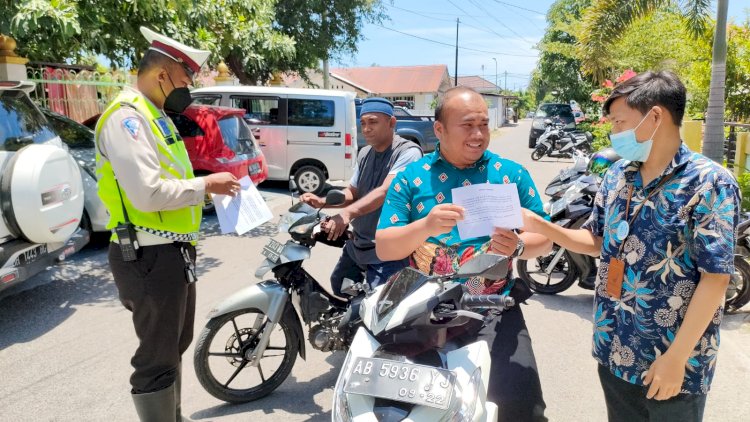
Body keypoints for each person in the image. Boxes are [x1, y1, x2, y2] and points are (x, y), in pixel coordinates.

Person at [521, 71, 739, 422]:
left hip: (671, 362)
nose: (614, 132)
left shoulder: (709, 182)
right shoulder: (618, 175)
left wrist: (676, 359)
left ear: (655, 116)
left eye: (620, 121)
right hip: (615, 350)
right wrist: (545, 227)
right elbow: (596, 241)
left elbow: (715, 279)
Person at [375, 86, 552, 421]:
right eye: (467, 125)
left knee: (523, 407)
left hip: (494, 307)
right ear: (439, 129)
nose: (478, 134)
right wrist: (424, 226)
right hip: (422, 312)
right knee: (403, 409)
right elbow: (385, 246)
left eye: (483, 125)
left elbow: (546, 240)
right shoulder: (410, 179)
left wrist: (517, 245)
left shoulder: (511, 174)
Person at [95, 27, 240, 421]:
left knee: (175, 344)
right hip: (146, 252)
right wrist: (205, 184)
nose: (187, 88)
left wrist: (207, 189)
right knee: (156, 356)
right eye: (184, 78)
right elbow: (147, 194)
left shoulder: (155, 115)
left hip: (171, 251)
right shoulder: (127, 118)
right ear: (162, 75)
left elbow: (171, 178)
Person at [300, 97, 423, 297]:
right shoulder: (365, 153)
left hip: (388, 250)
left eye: (373, 122)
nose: (366, 128)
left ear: (392, 123)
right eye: (363, 123)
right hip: (359, 243)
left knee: (380, 310)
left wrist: (346, 214)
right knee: (340, 284)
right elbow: (352, 192)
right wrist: (322, 201)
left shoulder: (408, 153)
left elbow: (386, 191)